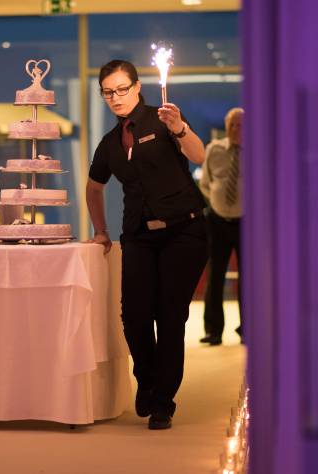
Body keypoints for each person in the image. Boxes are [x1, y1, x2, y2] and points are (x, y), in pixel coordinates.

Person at [86, 60, 208, 430]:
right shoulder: (109, 143)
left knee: (170, 317)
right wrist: (101, 230)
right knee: (134, 315)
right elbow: (94, 187)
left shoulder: (165, 118)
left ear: (137, 87)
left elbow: (199, 155)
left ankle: (163, 401)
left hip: (183, 232)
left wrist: (181, 129)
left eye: (122, 89)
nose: (115, 97)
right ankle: (148, 379)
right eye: (108, 92)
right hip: (137, 235)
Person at [198, 107, 244, 346]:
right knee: (215, 276)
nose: (236, 129)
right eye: (232, 125)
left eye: (240, 125)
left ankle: (248, 329)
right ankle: (213, 330)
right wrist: (218, 203)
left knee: (248, 278)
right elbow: (206, 184)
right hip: (217, 220)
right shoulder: (213, 149)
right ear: (226, 128)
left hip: (247, 223)